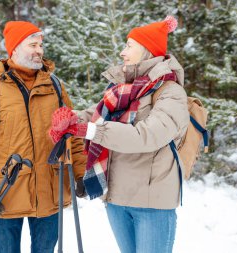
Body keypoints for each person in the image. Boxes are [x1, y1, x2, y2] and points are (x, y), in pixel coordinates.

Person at [49, 16, 189, 253]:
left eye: (129, 46)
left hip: (151, 204)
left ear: (147, 51)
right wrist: (72, 119)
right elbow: (96, 115)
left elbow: (147, 136)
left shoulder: (171, 93)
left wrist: (91, 130)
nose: (122, 53)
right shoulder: (121, 90)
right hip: (116, 199)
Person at [0, 21, 86, 253]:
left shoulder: (56, 88)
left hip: (50, 193)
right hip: (6, 196)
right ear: (15, 49)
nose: (39, 50)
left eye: (40, 44)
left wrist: (80, 175)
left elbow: (73, 137)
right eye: (33, 44)